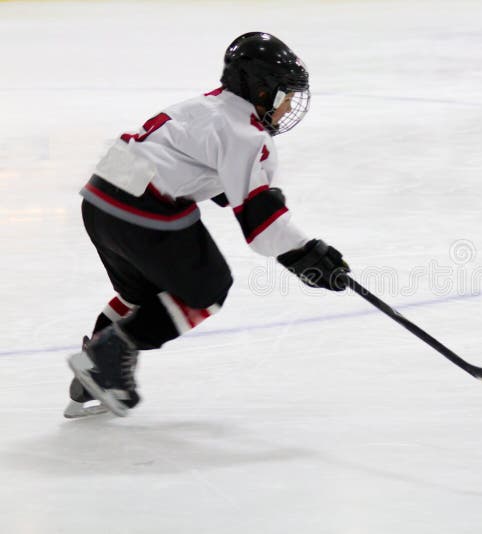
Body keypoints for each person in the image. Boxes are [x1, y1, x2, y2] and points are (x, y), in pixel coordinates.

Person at [65, 32, 350, 418]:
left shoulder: (205, 107)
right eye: (283, 97)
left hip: (100, 198)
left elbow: (210, 182)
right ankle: (109, 355)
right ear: (261, 90)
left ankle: (92, 377)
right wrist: (307, 252)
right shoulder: (246, 133)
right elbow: (261, 226)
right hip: (141, 209)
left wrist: (289, 246)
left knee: (141, 297)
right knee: (208, 286)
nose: (285, 111)